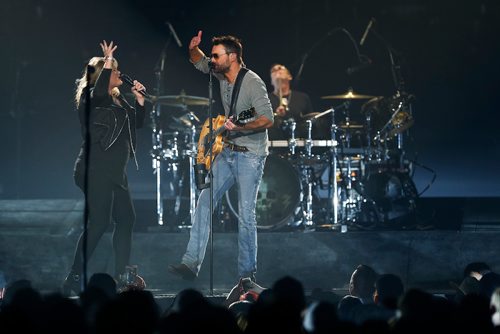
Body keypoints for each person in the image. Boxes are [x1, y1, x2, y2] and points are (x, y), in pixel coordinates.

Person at [168, 31, 274, 282]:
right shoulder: (220, 72)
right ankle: (191, 263)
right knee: (204, 202)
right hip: (227, 152)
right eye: (212, 56)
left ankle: (247, 276)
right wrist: (194, 49)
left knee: (246, 215)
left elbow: (268, 118)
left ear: (233, 57)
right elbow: (199, 61)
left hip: (250, 155)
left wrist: (240, 128)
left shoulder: (252, 82)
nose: (212, 60)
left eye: (217, 56)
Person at [62, 40, 146, 295]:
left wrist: (140, 101)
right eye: (113, 70)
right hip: (94, 169)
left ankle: (121, 275)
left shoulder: (117, 101)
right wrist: (108, 60)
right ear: (102, 75)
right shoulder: (92, 98)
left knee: (126, 219)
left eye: (116, 69)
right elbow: (99, 92)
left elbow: (135, 126)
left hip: (115, 172)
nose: (119, 73)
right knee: (99, 222)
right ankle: (74, 277)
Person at [267, 64, 314, 140]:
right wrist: (275, 115)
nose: (276, 69)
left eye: (281, 68)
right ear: (271, 81)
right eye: (273, 71)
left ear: (290, 77)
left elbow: (310, 121)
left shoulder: (303, 98)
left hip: (299, 144)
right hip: (272, 144)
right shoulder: (264, 99)